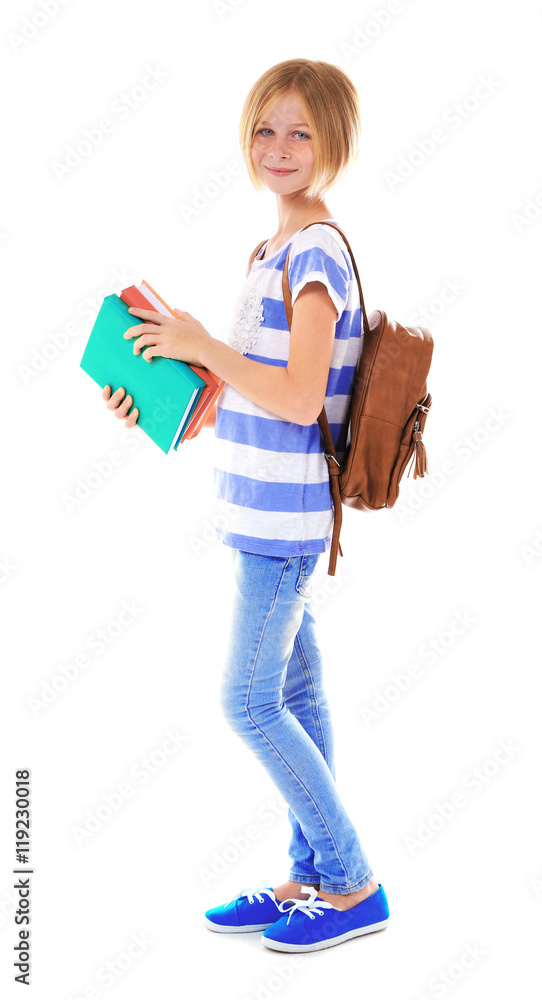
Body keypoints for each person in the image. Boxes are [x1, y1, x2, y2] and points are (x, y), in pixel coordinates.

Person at [102, 58, 389, 953]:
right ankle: (309, 877)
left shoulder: (316, 252)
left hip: (287, 522)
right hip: (258, 511)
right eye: (266, 128)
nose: (279, 147)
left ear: (335, 142)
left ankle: (352, 882)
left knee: (247, 700)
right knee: (295, 693)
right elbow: (244, 398)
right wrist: (159, 391)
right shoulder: (268, 250)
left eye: (301, 131)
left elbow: (304, 396)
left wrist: (204, 341)